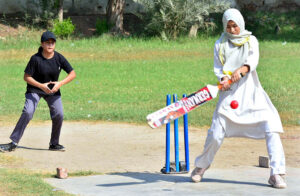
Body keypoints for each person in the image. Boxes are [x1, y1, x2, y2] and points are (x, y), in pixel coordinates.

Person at [190, 8, 287, 189]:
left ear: (240, 24)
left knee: (272, 128)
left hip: (252, 94)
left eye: (235, 26)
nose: (232, 30)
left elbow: (253, 60)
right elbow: (219, 68)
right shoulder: (219, 44)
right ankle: (201, 167)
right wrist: (224, 79)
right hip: (229, 97)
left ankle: (276, 173)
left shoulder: (251, 41)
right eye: (229, 27)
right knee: (216, 134)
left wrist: (241, 71)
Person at [0, 31, 76, 152]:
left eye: (52, 42)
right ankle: (13, 142)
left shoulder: (59, 57)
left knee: (59, 114)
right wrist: (41, 86)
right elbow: (27, 77)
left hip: (52, 90)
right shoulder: (35, 59)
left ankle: (54, 143)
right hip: (35, 89)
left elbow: (72, 73)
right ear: (42, 44)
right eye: (47, 42)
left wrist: (60, 83)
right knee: (28, 112)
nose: (50, 45)